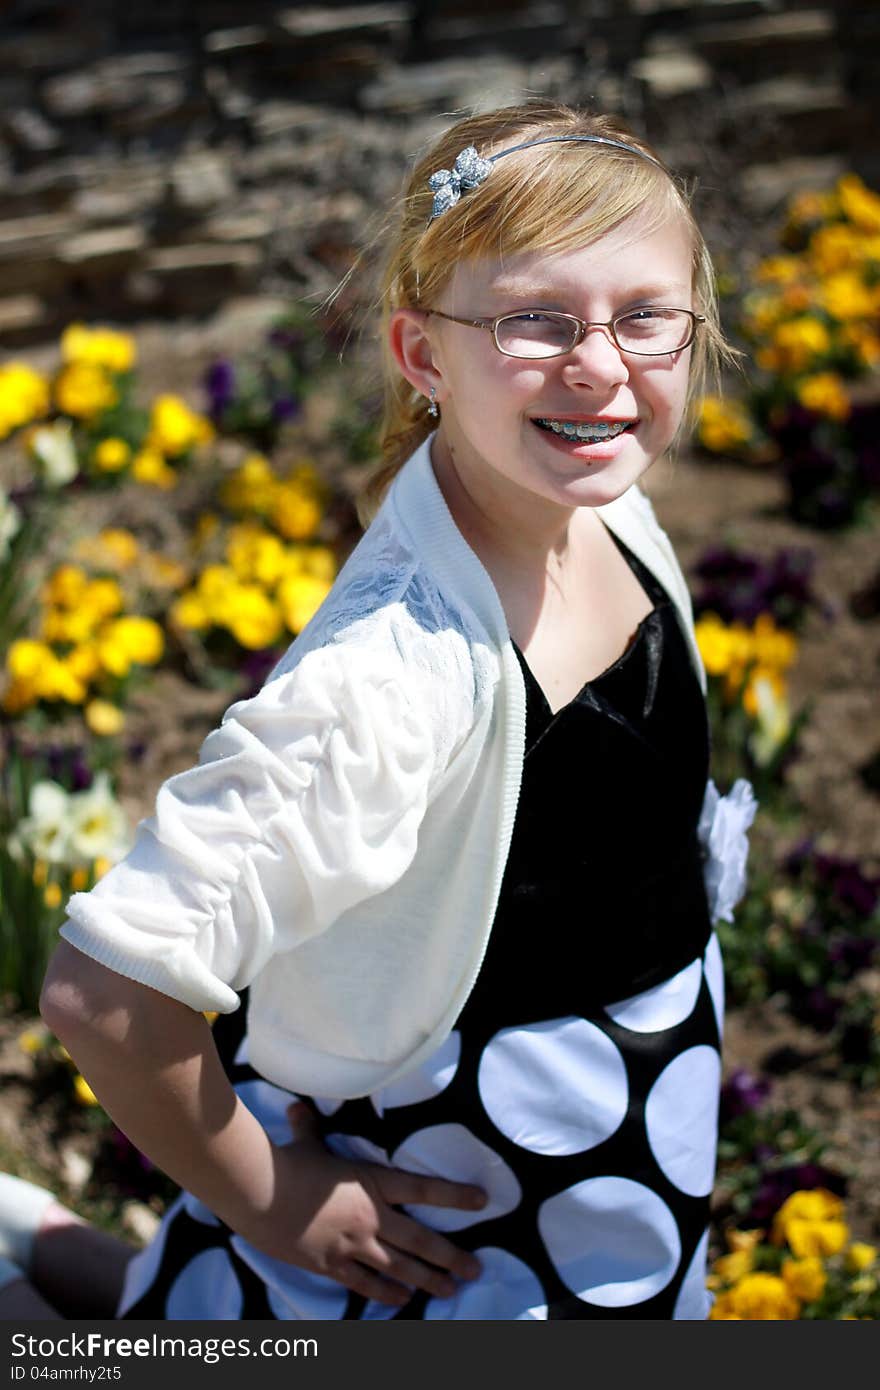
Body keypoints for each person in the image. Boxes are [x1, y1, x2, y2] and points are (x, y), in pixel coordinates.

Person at [20, 99, 756, 1322]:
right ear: (422, 357)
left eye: (645, 316)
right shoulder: (390, 681)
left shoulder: (599, 510)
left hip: (613, 1145)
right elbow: (105, 997)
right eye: (534, 319)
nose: (599, 364)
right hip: (454, 1208)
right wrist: (272, 1199)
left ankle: (74, 1254)